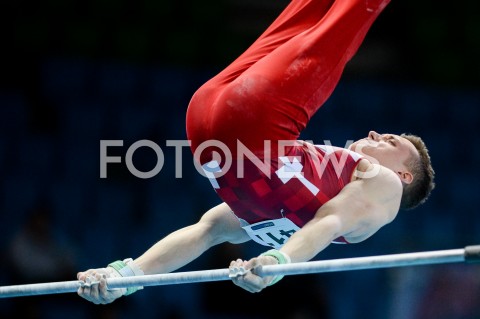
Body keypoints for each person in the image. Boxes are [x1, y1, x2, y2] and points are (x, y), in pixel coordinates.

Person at [78, 0, 435, 304]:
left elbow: (328, 221)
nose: (375, 133)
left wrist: (125, 277)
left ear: (404, 176)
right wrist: (126, 276)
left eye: (391, 142)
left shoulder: (386, 186)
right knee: (307, 13)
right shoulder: (294, 209)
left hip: (238, 123)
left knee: (345, 23)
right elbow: (210, 232)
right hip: (216, 127)